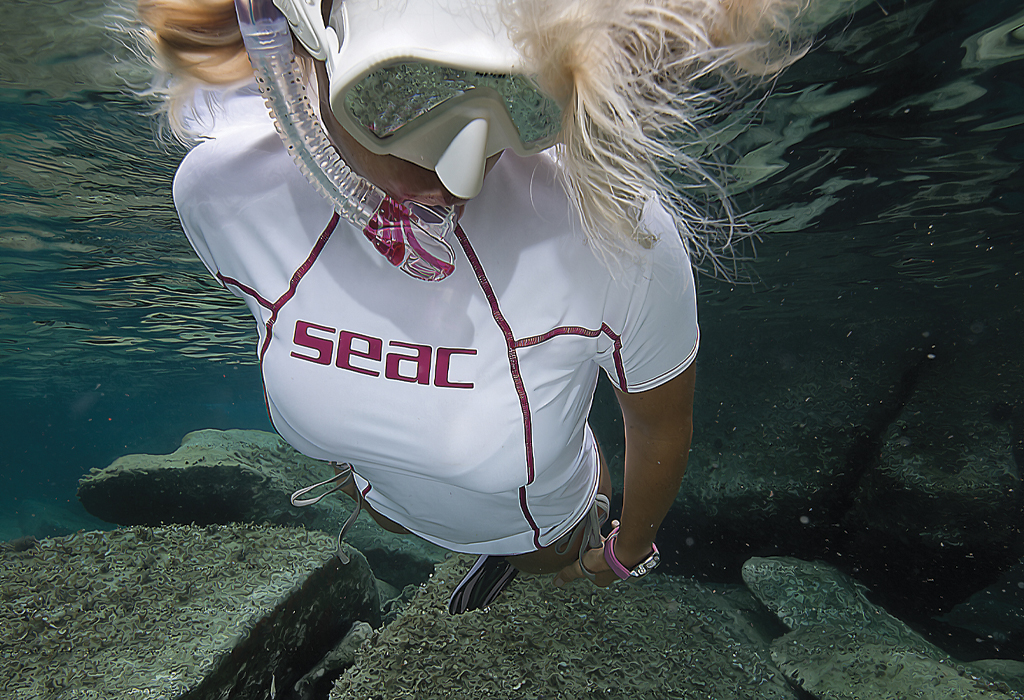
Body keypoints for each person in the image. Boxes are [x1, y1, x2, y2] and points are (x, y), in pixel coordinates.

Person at [136, 0, 802, 612]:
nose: (462, 174)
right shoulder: (222, 195)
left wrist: (625, 554)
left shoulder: (617, 234)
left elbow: (661, 427)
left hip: (544, 537)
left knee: (546, 501)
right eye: (408, 92)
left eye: (521, 103)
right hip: (385, 502)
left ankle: (543, 502)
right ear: (293, 41)